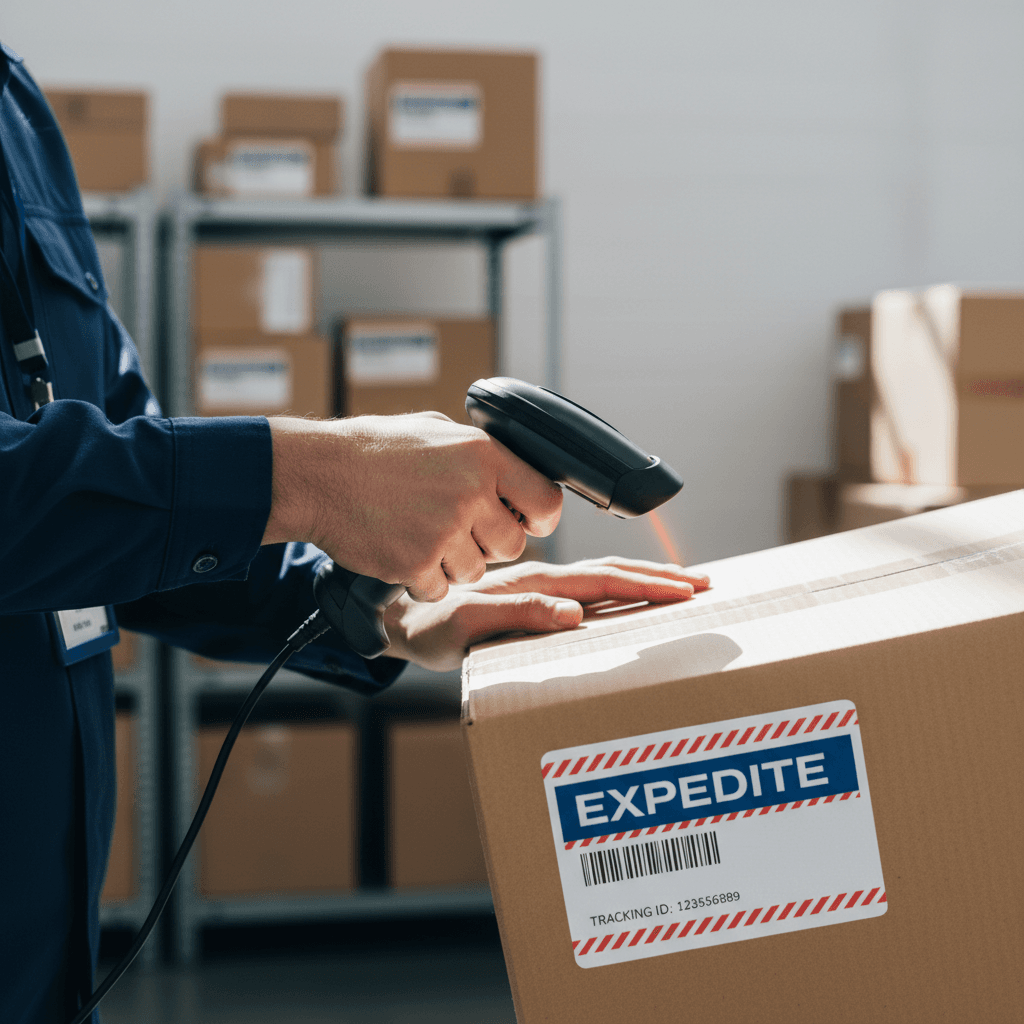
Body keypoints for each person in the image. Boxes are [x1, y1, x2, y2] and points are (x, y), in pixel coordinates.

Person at [0, 40, 708, 1024]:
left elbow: (118, 504)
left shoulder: (16, 106)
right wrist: (315, 472)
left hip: (44, 950)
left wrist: (394, 609)